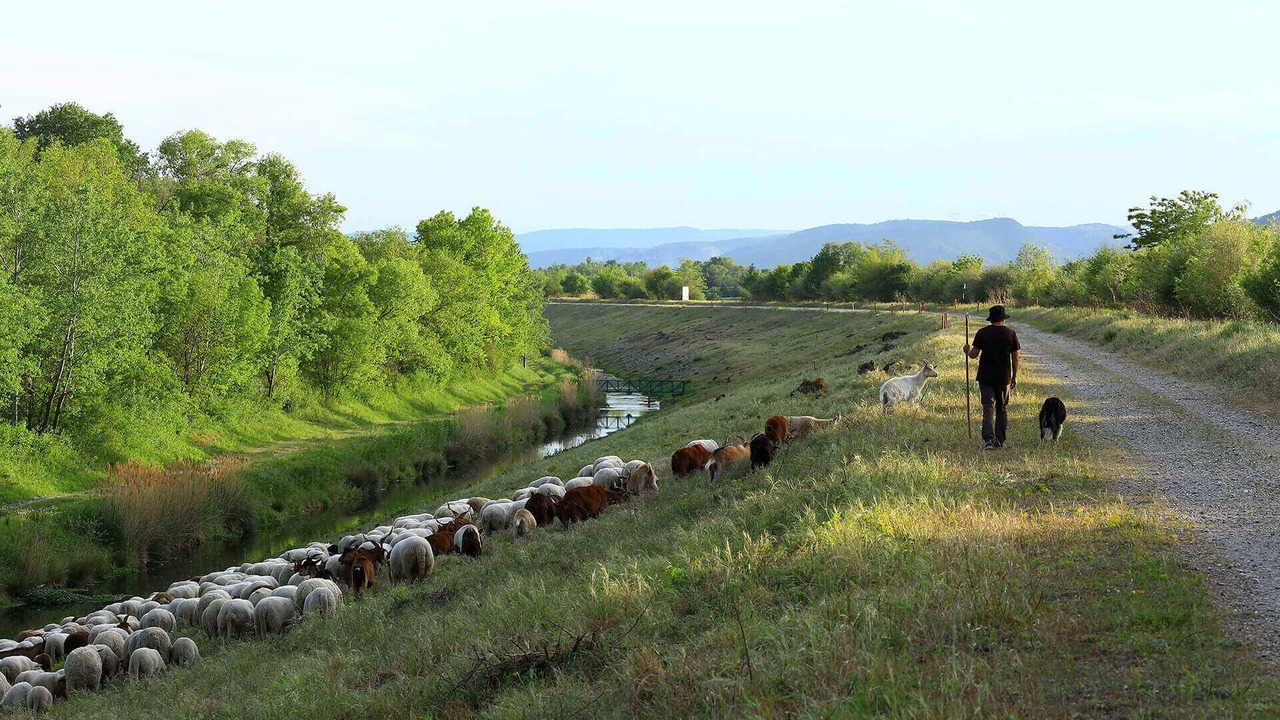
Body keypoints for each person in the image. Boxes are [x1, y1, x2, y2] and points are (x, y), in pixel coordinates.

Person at [963, 305, 1020, 450]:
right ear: (1003, 319)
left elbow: (974, 355)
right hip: (1004, 377)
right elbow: (1016, 358)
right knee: (1002, 408)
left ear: (991, 319)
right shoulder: (1010, 334)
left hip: (985, 376)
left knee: (988, 407)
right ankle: (999, 441)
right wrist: (1014, 376)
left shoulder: (982, 333)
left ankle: (988, 440)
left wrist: (967, 350)